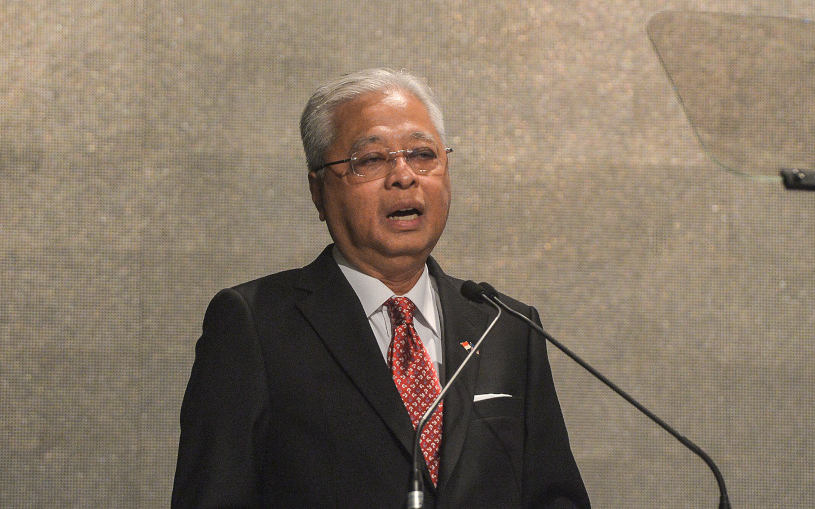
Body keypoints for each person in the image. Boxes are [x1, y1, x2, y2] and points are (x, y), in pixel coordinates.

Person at [172, 68, 590, 508]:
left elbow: (555, 497)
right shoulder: (253, 325)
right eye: (371, 160)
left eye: (423, 154)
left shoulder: (506, 327)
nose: (404, 176)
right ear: (318, 190)